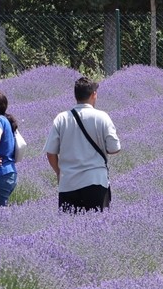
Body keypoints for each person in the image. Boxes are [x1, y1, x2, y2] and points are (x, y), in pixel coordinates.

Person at [44, 76, 121, 213]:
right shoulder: (102, 117)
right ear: (94, 95)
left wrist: (59, 172)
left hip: (68, 183)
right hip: (95, 181)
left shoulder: (61, 118)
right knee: (96, 228)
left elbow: (50, 153)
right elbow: (114, 148)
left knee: (69, 229)